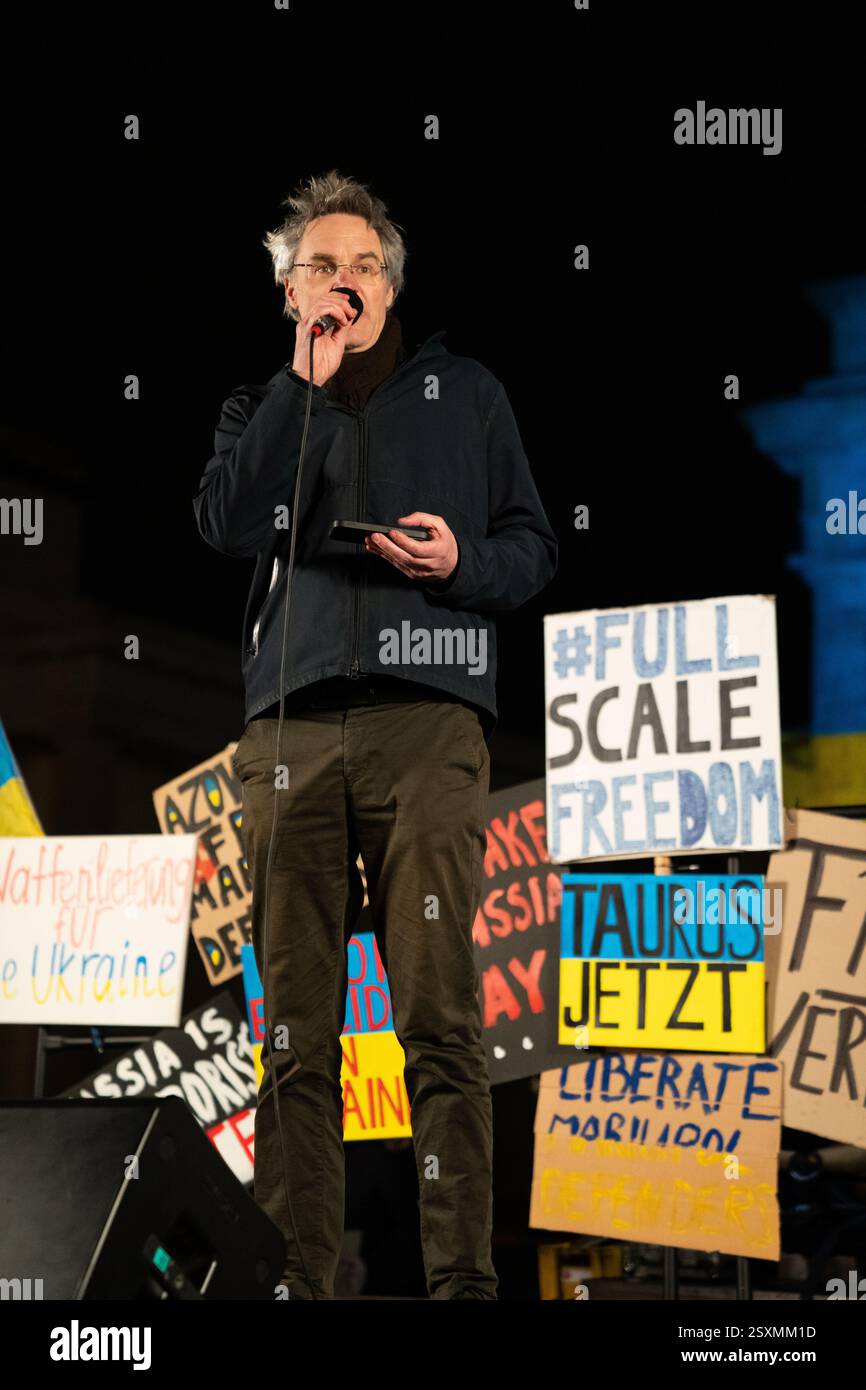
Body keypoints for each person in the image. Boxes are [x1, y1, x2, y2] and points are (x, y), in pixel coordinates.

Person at [192, 169, 557, 1299]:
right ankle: (297, 1277)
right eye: (318, 266)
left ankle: (458, 1281)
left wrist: (461, 562)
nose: (340, 280)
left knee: (438, 1016)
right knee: (294, 1030)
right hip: (291, 726)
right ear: (288, 294)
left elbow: (532, 549)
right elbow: (222, 522)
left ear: (390, 287)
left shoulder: (469, 394)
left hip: (429, 720)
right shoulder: (262, 406)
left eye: (360, 265)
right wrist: (301, 388)